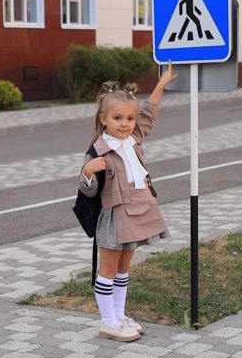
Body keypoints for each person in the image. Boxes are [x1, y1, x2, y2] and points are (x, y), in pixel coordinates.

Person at [78, 62, 178, 342]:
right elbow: (86, 191)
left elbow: (149, 113)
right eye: (118, 118)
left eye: (129, 119)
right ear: (103, 119)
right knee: (108, 271)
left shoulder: (135, 139)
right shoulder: (99, 151)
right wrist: (87, 172)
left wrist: (161, 85)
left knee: (124, 269)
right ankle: (108, 322)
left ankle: (120, 316)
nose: (125, 124)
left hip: (140, 209)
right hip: (115, 216)